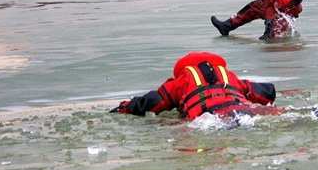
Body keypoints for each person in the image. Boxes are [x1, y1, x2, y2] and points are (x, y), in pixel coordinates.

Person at [109, 51, 278, 120]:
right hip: (246, 111)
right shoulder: (229, 76)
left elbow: (153, 101)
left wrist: (124, 107)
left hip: (209, 119)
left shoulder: (183, 79)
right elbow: (267, 91)